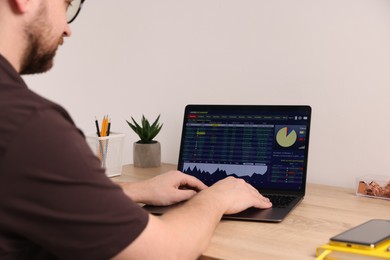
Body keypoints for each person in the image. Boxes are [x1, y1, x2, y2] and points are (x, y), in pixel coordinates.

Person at [0, 0, 272, 259]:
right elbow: (166, 252)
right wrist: (217, 197)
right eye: (67, 5)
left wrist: (135, 191)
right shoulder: (30, 127)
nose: (67, 28)